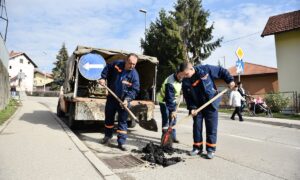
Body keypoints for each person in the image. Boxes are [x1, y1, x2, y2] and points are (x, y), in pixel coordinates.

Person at [181, 62, 235, 159]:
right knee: (197, 128)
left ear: (191, 69)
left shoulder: (205, 69)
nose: (185, 76)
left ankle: (210, 150)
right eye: (184, 75)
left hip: (211, 103)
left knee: (211, 128)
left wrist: (230, 80)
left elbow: (221, 71)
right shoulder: (185, 81)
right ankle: (197, 147)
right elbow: (187, 97)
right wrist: (192, 108)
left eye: (186, 74)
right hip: (197, 107)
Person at [98, 53, 140, 151]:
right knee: (109, 118)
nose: (132, 66)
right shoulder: (117, 64)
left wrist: (127, 100)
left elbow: (135, 90)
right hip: (112, 98)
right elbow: (107, 68)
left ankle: (121, 143)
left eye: (134, 64)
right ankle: (107, 137)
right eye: (130, 63)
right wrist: (103, 78)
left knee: (123, 121)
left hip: (124, 101)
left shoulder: (134, 75)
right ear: (126, 61)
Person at [157, 63, 187, 143]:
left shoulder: (182, 78)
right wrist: (173, 110)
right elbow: (169, 98)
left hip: (172, 101)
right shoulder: (170, 82)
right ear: (177, 72)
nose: (182, 78)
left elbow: (181, 86)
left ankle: (173, 137)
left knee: (173, 120)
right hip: (164, 101)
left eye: (183, 76)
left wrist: (182, 90)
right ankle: (164, 138)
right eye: (180, 76)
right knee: (166, 119)